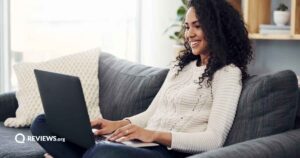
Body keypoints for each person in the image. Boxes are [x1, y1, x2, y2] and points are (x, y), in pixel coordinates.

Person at [31, 0, 253, 157]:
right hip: (142, 145)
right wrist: (117, 125)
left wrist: (151, 135)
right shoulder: (180, 66)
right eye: (187, 27)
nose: (189, 34)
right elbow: (150, 114)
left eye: (197, 26)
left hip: (168, 152)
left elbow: (214, 140)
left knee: (104, 152)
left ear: (217, 28)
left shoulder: (227, 73)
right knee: (43, 123)